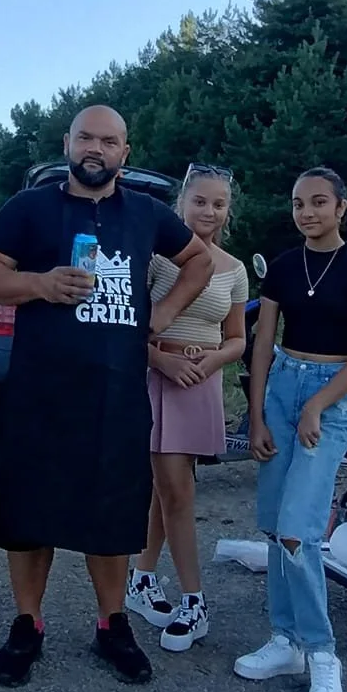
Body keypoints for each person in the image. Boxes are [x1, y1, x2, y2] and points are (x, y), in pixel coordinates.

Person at [0, 104, 216, 688]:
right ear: (68, 143)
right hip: (40, 391)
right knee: (29, 514)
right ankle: (27, 623)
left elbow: (199, 261)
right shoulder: (30, 209)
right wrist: (39, 283)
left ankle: (112, 626)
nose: (96, 149)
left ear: (124, 152)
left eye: (109, 141)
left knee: (109, 515)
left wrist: (161, 314)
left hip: (115, 392)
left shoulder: (147, 214)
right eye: (87, 137)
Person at [234, 167, 347, 692]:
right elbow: (262, 346)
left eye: (319, 202)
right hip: (281, 389)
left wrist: (319, 405)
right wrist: (256, 419)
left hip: (333, 392)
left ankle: (322, 652)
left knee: (299, 530)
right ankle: (286, 641)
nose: (307, 213)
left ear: (341, 207)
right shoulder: (281, 266)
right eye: (299, 204)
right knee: (275, 525)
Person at [125, 163, 248, 652]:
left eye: (218, 204)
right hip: (157, 375)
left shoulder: (234, 270)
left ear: (227, 211)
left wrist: (213, 359)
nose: (209, 211)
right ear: (181, 204)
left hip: (200, 382)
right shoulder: (156, 258)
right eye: (200, 201)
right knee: (177, 491)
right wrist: (163, 362)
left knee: (166, 490)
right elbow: (127, 325)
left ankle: (141, 579)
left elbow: (237, 338)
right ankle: (195, 601)